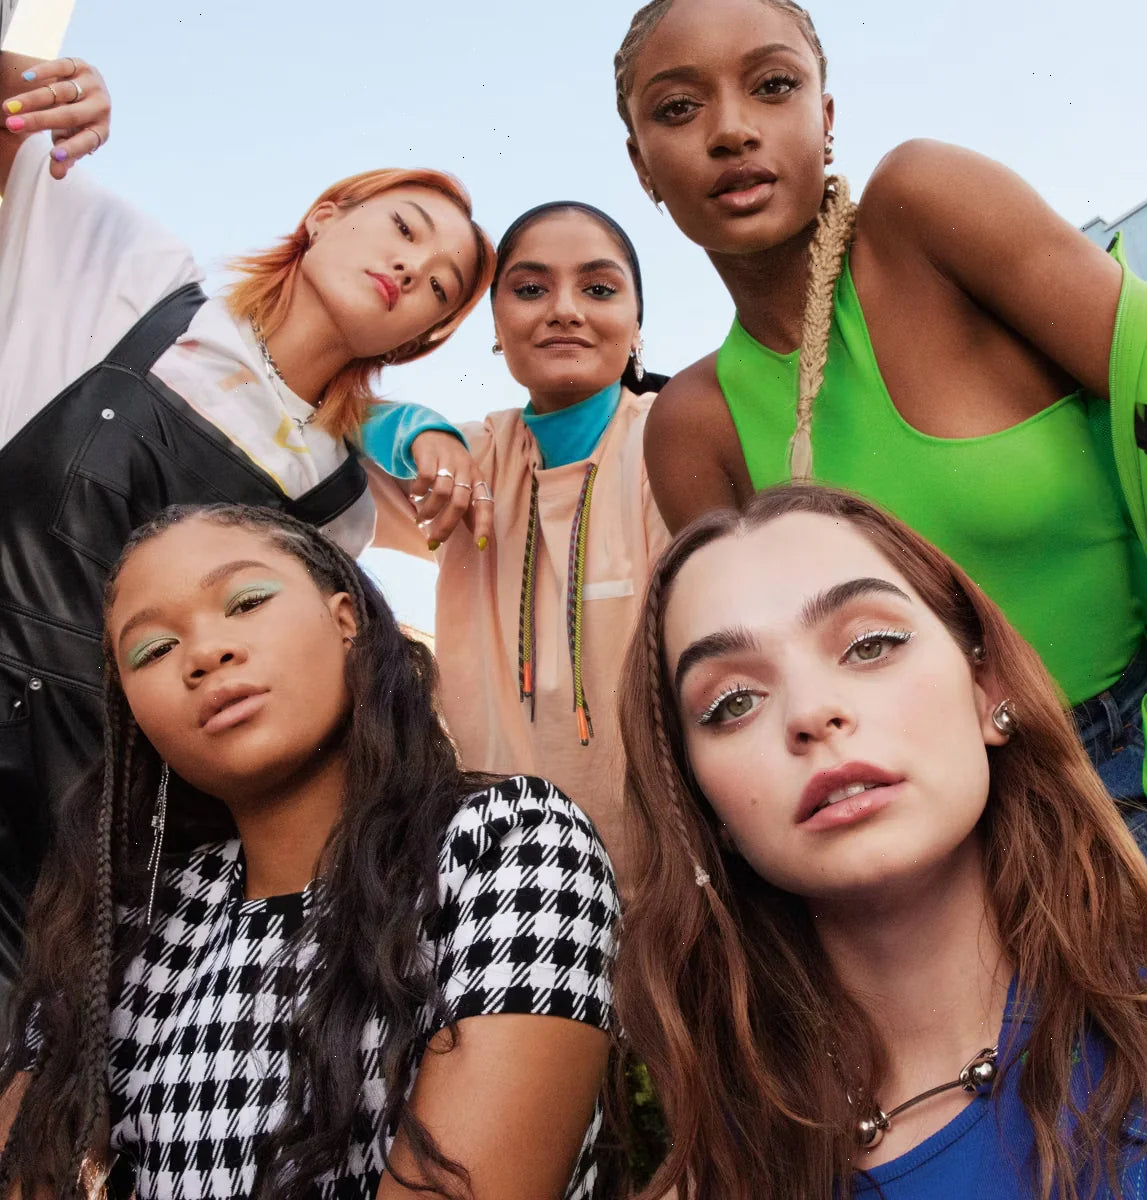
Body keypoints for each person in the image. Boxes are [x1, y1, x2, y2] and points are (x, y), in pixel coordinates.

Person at [609, 0, 1147, 818]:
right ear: (642, 165)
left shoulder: (926, 208)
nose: (732, 131)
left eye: (772, 86)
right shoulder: (692, 425)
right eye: (679, 108)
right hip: (924, 831)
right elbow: (756, 690)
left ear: (825, 119)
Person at [0, 52, 495, 974]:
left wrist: (423, 432)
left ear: (417, 340)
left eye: (439, 285)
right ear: (325, 215)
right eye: (405, 227)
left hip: (95, 864)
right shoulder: (136, 280)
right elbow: (17, 128)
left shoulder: (338, 505)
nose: (412, 265)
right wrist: (43, 80)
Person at [0, 504, 617, 1198]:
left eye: (246, 602)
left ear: (345, 620)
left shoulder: (507, 841)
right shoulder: (125, 928)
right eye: (154, 650)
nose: (204, 654)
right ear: (135, 718)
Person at [615, 483, 1147, 1200]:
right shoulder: (725, 1166)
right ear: (703, 806)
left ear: (986, 686)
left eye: (870, 645)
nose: (812, 712)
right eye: (732, 702)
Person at [364, 202, 669, 881]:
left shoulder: (673, 439)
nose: (564, 310)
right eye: (531, 289)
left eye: (598, 288)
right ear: (497, 327)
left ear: (636, 325)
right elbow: (310, 415)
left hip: (675, 874)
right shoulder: (471, 461)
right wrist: (412, 428)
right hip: (510, 881)